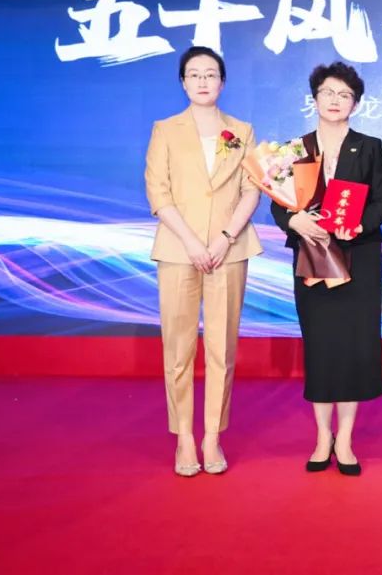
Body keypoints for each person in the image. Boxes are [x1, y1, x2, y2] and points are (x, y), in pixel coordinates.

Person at [270, 62, 382, 477]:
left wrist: (358, 224)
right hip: (312, 257)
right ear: (315, 98)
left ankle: (346, 440)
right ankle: (323, 436)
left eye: (344, 95)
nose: (335, 100)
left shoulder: (369, 147)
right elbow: (278, 201)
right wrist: (294, 221)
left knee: (354, 346)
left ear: (355, 104)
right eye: (327, 93)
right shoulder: (295, 149)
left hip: (359, 258)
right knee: (321, 346)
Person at [144, 46, 262, 477]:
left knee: (221, 348)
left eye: (210, 74)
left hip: (229, 250)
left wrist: (225, 237)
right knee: (178, 349)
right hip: (179, 248)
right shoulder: (165, 130)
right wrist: (193, 242)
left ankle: (212, 434)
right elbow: (158, 192)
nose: (202, 81)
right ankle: (184, 438)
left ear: (222, 82)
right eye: (193, 74)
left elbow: (252, 188)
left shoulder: (242, 131)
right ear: (183, 82)